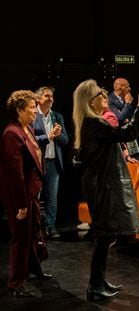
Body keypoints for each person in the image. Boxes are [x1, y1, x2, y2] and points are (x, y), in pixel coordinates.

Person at [72, 79, 139, 301]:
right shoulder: (94, 124)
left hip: (100, 185)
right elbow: (127, 134)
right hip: (103, 187)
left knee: (104, 237)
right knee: (103, 235)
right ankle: (94, 286)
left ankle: (98, 282)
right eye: (100, 94)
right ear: (91, 101)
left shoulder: (92, 123)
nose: (104, 97)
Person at [0, 90, 53, 297]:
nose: (35, 111)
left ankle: (34, 268)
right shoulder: (11, 134)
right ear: (19, 110)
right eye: (32, 107)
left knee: (33, 233)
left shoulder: (27, 128)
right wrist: (22, 204)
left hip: (31, 192)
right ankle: (16, 282)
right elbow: (15, 174)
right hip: (19, 196)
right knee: (21, 238)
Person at [32, 86, 68, 239]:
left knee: (52, 197)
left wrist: (58, 135)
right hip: (37, 163)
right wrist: (49, 136)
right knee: (35, 196)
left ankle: (51, 227)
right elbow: (30, 140)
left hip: (53, 163)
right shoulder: (32, 116)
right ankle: (34, 228)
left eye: (52, 96)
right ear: (39, 99)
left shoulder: (57, 117)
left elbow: (66, 140)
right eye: (47, 96)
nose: (50, 99)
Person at [108, 77, 139, 160]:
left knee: (137, 161)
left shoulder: (128, 97)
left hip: (131, 137)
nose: (130, 89)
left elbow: (132, 116)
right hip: (120, 139)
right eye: (127, 86)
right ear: (120, 88)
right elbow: (120, 117)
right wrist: (127, 104)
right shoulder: (109, 100)